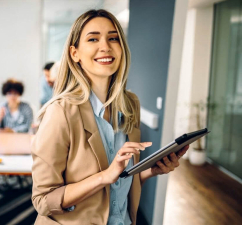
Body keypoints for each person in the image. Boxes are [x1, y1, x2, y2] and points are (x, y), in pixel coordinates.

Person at [31, 9, 189, 225]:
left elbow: (117, 188)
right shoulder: (61, 112)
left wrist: (149, 171)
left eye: (113, 38)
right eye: (93, 38)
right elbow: (43, 201)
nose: (105, 46)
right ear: (74, 53)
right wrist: (104, 176)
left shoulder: (130, 104)